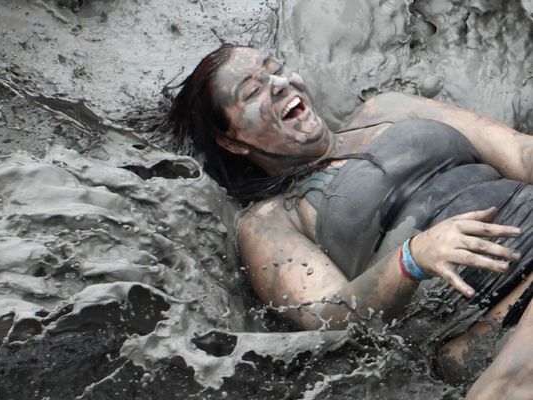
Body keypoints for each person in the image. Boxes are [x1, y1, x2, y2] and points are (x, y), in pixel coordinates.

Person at [161, 43, 533, 399]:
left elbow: (519, 151)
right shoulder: (270, 220)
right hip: (487, 315)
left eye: (276, 69)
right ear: (232, 141)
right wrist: (412, 257)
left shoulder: (386, 108)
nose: (279, 84)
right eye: (253, 90)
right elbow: (331, 319)